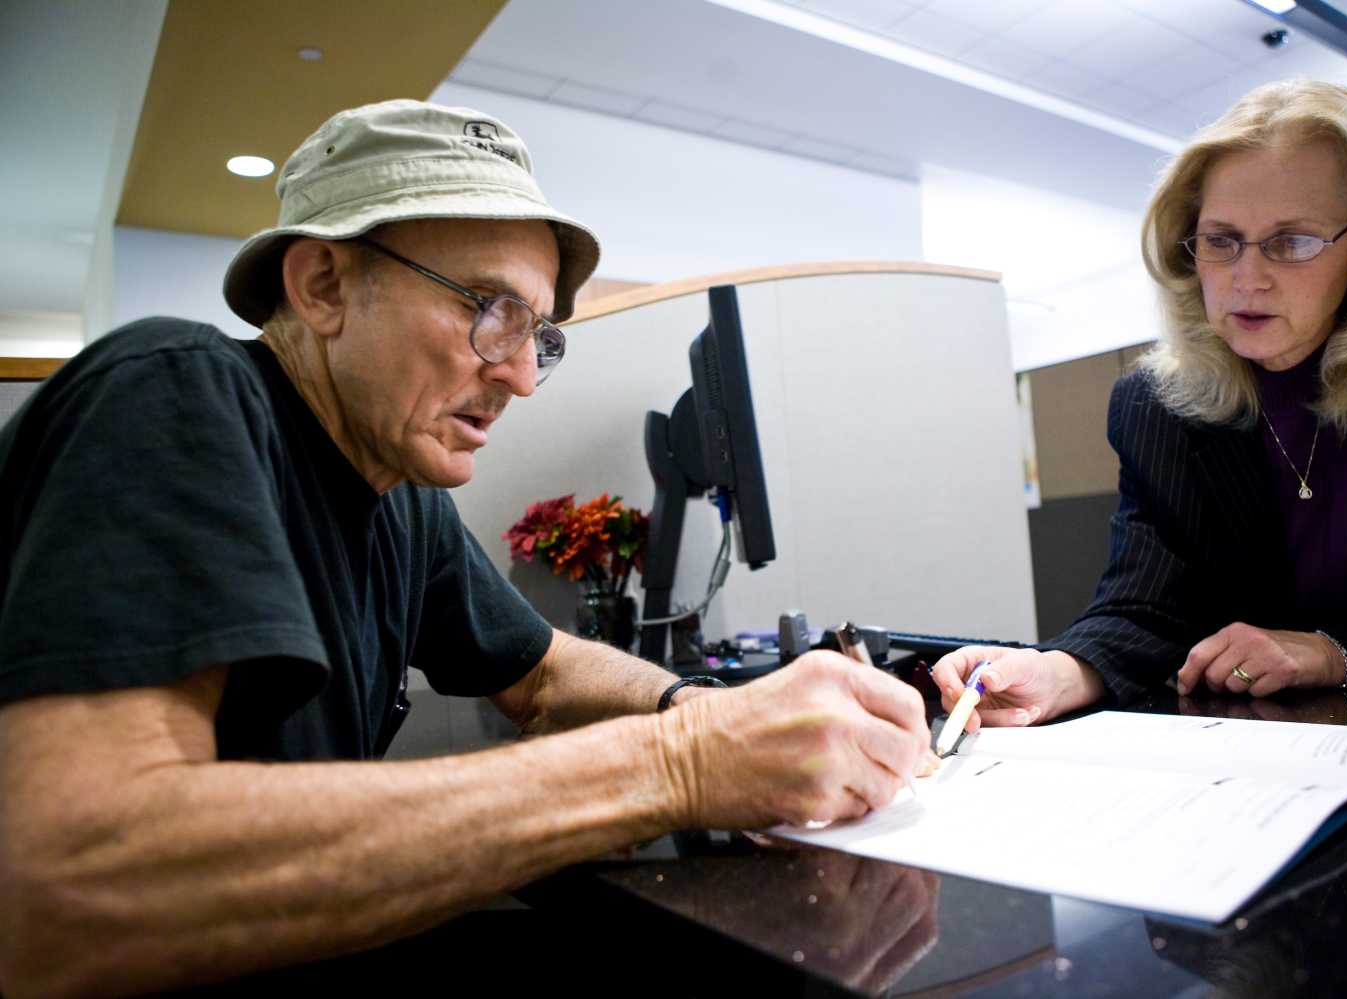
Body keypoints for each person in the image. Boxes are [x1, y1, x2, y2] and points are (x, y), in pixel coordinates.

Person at [0, 100, 932, 996]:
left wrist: (704, 707)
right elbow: (71, 887)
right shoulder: (176, 394)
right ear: (323, 286)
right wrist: (679, 761)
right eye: (489, 310)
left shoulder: (394, 492)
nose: (521, 376)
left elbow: (543, 672)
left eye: (539, 335)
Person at [933, 80, 1347, 730]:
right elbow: (1143, 607)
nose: (1246, 278)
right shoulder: (1155, 405)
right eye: (1221, 240)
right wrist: (1056, 669)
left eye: (1292, 242)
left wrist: (1334, 652)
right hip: (1274, 768)